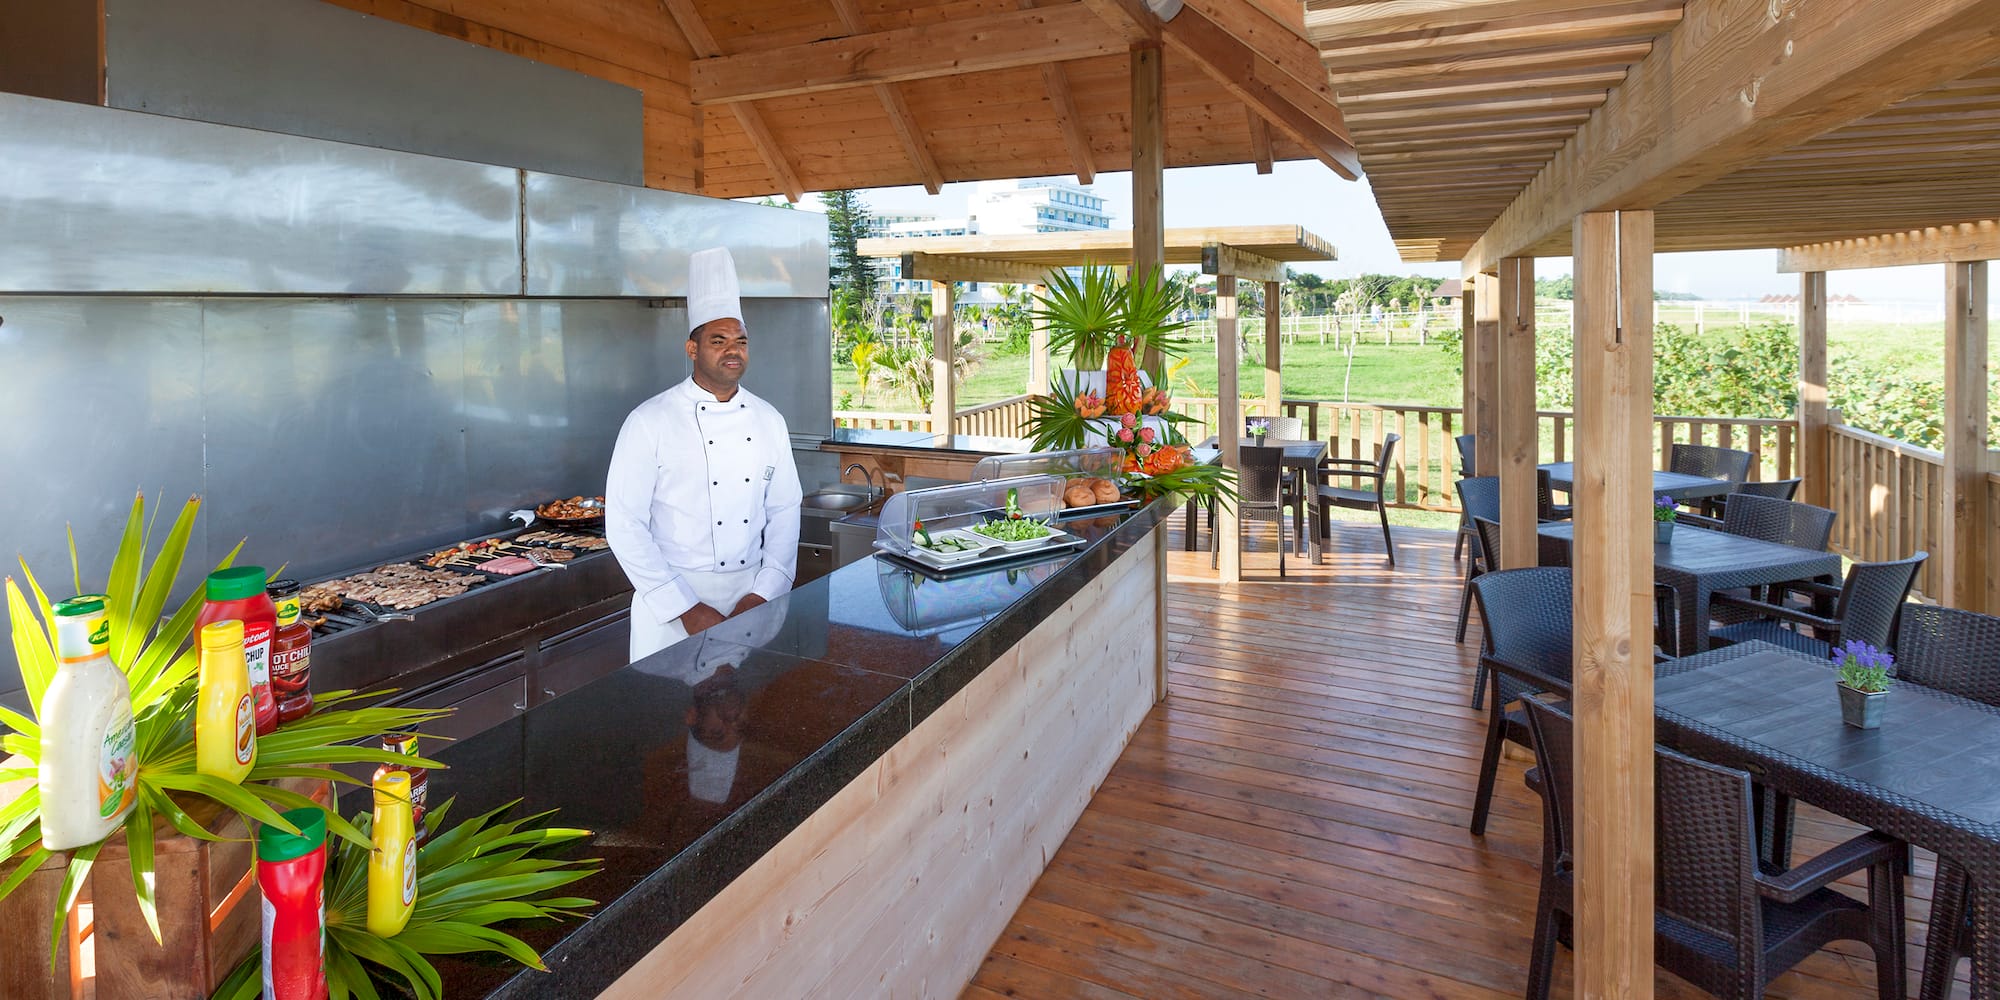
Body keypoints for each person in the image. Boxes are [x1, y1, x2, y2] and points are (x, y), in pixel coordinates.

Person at [606, 247, 803, 661]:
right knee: (665, 718)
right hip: (672, 602)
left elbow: (785, 508)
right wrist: (686, 609)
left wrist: (764, 592)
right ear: (692, 349)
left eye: (740, 341)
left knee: (737, 717)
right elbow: (625, 524)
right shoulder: (649, 422)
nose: (733, 350)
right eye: (718, 340)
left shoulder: (769, 420)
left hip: (749, 603)